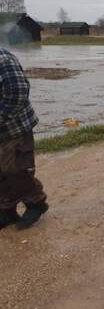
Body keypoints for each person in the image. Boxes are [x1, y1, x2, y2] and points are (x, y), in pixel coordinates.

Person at [0, 47, 48, 230]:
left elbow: (18, 94)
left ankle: (36, 203)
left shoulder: (3, 60)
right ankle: (7, 211)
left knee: (15, 169)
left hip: (15, 128)